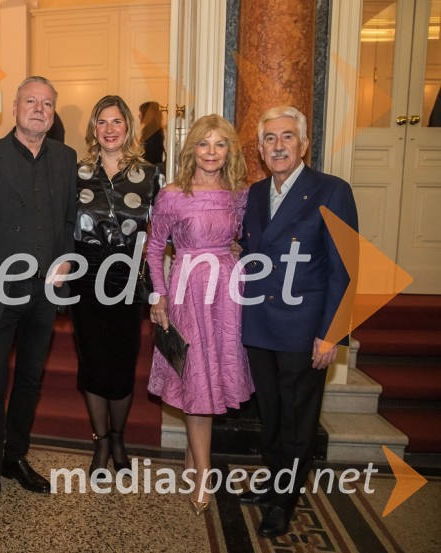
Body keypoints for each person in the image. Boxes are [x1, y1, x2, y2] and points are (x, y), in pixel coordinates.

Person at [0, 76, 77, 517]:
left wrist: (66, 261)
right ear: (14, 108)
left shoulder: (66, 158)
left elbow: (69, 221)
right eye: (31, 101)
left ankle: (15, 458)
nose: (39, 109)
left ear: (53, 112)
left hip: (44, 292)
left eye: (47, 103)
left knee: (30, 379)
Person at [237, 106, 358, 537]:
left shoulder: (332, 191)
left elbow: (345, 270)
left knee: (298, 420)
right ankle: (274, 482)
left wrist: (330, 334)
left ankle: (283, 502)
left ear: (304, 144)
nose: (278, 145)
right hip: (259, 324)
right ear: (259, 149)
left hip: (304, 329)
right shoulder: (253, 194)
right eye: (269, 138)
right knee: (270, 415)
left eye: (287, 136)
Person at [146, 114, 253, 516]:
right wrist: (158, 296)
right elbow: (154, 248)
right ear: (191, 149)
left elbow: (243, 237)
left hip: (227, 293)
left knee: (213, 374)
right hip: (187, 290)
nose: (211, 152)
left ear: (230, 151)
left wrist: (237, 250)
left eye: (220, 144)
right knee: (196, 378)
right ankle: (204, 474)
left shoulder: (239, 194)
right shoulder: (172, 194)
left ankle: (193, 459)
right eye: (204, 144)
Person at [70, 95, 159, 476]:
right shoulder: (76, 172)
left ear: (128, 127)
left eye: (117, 121)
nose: (109, 129)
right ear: (94, 128)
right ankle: (101, 441)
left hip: (127, 278)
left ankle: (119, 438)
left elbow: (163, 233)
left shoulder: (151, 175)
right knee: (91, 361)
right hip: (86, 276)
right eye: (102, 122)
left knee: (122, 364)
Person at [139, 101, 165, 165]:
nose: (139, 115)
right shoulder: (156, 130)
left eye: (141, 112)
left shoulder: (152, 132)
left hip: (150, 168)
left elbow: (149, 156)